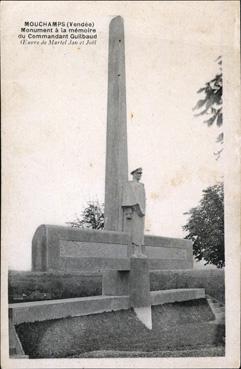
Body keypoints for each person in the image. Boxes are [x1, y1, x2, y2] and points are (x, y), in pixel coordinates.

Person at [122, 167, 146, 257]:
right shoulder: (129, 184)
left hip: (141, 211)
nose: (140, 175)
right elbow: (127, 197)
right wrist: (129, 210)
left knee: (140, 231)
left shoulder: (142, 185)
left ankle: (139, 251)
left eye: (141, 173)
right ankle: (134, 251)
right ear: (133, 173)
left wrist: (142, 210)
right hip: (133, 210)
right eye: (138, 173)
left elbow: (143, 200)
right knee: (134, 230)